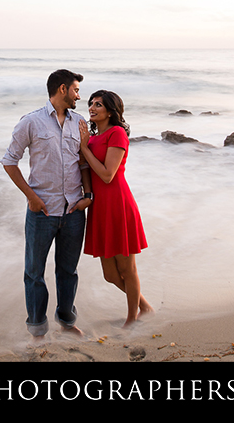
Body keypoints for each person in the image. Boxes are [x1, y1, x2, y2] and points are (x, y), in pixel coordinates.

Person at [1, 69, 93, 338]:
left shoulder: (79, 123)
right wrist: (31, 197)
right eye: (76, 90)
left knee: (68, 271)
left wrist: (88, 195)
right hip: (42, 211)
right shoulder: (31, 122)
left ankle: (66, 320)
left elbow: (83, 162)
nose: (79, 95)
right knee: (34, 272)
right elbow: (9, 161)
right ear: (62, 89)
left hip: (74, 210)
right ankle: (37, 328)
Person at [78, 90, 153, 328]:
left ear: (110, 111)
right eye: (91, 103)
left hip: (118, 203)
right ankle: (145, 306)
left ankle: (132, 317)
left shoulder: (117, 133)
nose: (92, 107)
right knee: (110, 275)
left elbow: (108, 175)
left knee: (127, 268)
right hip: (99, 207)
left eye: (98, 104)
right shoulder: (90, 139)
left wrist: (84, 149)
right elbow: (86, 171)